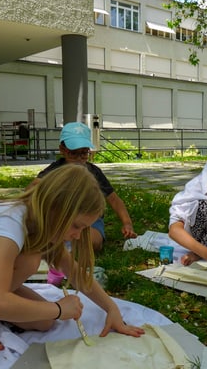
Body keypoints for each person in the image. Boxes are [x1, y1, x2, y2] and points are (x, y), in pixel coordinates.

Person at [0, 164, 144, 355]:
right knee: (29, 261)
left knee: (44, 321)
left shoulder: (41, 222)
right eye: (77, 226)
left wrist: (111, 308)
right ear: (55, 210)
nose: (77, 235)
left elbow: (74, 271)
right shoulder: (10, 225)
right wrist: (59, 309)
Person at [31, 122, 137, 285]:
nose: (80, 159)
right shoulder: (54, 171)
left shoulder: (93, 171)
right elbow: (32, 190)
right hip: (62, 219)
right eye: (75, 154)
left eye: (84, 153)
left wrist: (127, 223)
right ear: (62, 150)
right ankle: (58, 251)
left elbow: (114, 199)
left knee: (93, 241)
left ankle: (61, 252)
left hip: (89, 220)